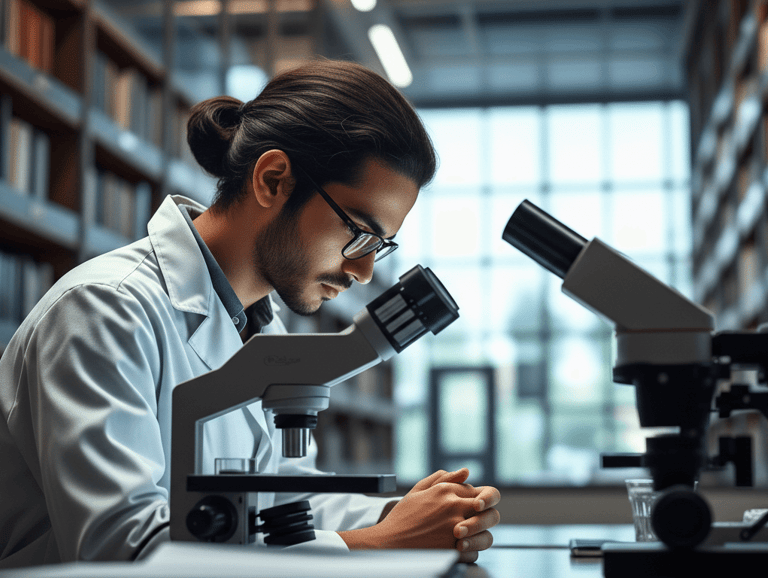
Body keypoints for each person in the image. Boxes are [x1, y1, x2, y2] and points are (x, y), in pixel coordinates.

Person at [0, 59, 500, 567]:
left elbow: (280, 498)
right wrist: (380, 542)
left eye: (381, 245)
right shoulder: (104, 311)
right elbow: (126, 549)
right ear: (273, 179)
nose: (366, 270)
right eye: (360, 233)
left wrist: (409, 516)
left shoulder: (255, 324)